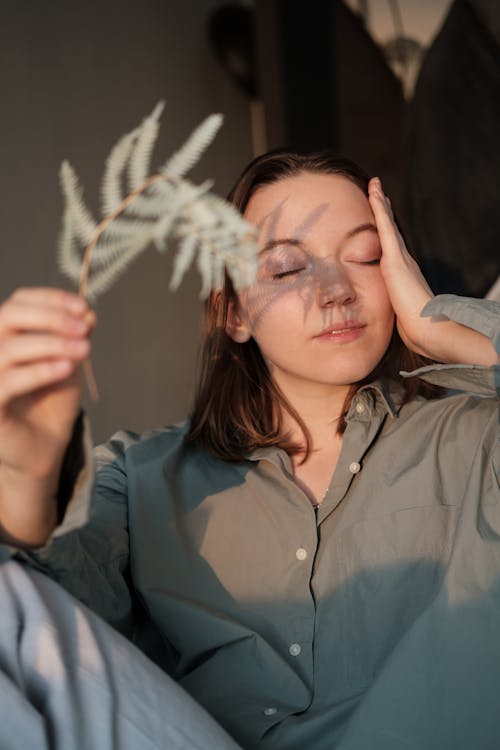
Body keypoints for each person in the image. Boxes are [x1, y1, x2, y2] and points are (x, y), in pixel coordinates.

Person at [0, 150, 499, 750]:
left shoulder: (474, 435)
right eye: (287, 268)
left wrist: (440, 326)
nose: (335, 290)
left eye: (365, 256)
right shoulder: (141, 477)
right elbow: (54, 610)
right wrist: (25, 479)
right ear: (233, 311)